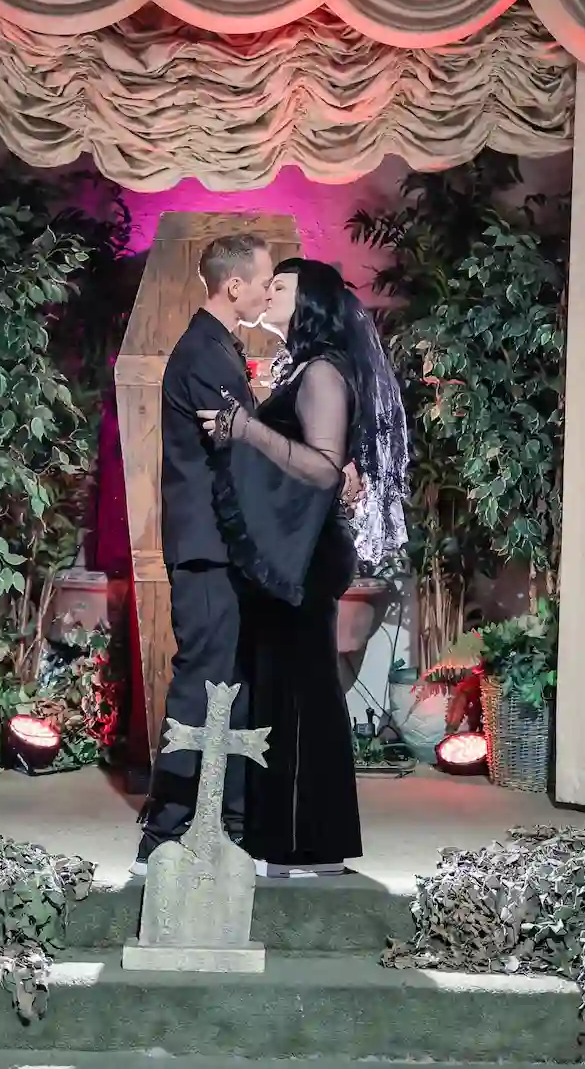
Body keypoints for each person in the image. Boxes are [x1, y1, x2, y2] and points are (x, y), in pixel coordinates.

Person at [199, 258, 408, 877]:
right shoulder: (304, 369)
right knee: (284, 690)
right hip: (294, 549)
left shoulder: (321, 372)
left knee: (304, 692)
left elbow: (321, 465)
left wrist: (247, 430)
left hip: (308, 555)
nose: (268, 292)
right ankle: (286, 841)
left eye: (281, 286)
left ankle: (308, 846)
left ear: (308, 301)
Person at [133, 232, 273, 873]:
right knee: (203, 683)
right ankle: (163, 830)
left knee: (228, 683)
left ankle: (229, 818)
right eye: (265, 280)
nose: (270, 291)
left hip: (219, 547)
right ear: (233, 284)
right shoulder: (205, 354)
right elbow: (235, 451)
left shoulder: (216, 349)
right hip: (209, 549)